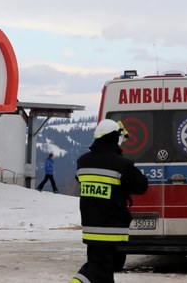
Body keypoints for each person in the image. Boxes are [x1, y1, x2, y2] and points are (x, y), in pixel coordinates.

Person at [71, 119, 148, 283]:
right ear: (114, 138)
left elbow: (83, 180)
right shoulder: (121, 164)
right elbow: (141, 186)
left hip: (90, 228)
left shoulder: (82, 162)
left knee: (104, 271)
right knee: (97, 269)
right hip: (111, 228)